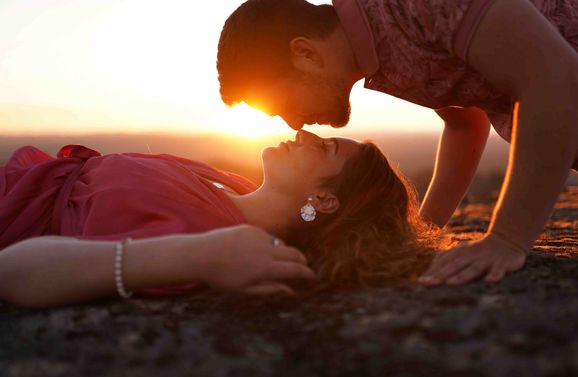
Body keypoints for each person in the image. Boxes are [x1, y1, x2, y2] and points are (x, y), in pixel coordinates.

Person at [216, 0, 578, 287]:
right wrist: (424, 231)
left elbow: (560, 80)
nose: (294, 123)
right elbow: (464, 122)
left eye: (281, 104)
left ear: (305, 53)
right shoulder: (377, 52)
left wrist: (508, 239)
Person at [0, 130, 435, 308]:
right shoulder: (230, 184)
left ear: (323, 199)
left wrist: (198, 255)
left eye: (325, 148)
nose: (304, 133)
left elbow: (12, 271)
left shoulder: (210, 240)